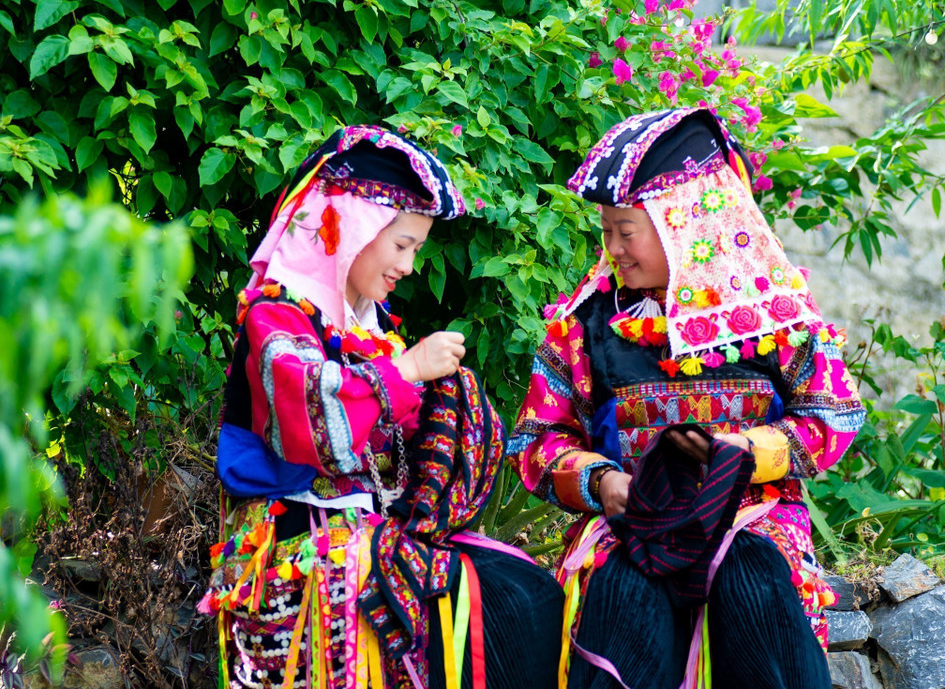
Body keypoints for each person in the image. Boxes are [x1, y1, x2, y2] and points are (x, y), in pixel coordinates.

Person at [507, 108, 866, 689]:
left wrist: (737, 452)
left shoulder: (777, 314)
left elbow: (833, 418)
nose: (614, 249)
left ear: (686, 224)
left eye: (628, 231)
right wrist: (604, 483)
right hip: (631, 525)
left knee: (750, 580)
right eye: (607, 231)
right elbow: (536, 442)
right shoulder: (585, 324)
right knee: (625, 587)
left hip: (755, 515)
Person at [198, 125, 563, 689]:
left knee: (525, 590)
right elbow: (312, 424)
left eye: (416, 248)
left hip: (365, 533)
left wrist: (449, 403)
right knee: (473, 601)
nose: (410, 265)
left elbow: (401, 431)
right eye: (402, 245)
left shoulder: (367, 327)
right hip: (297, 542)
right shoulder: (277, 317)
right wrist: (410, 371)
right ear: (346, 228)